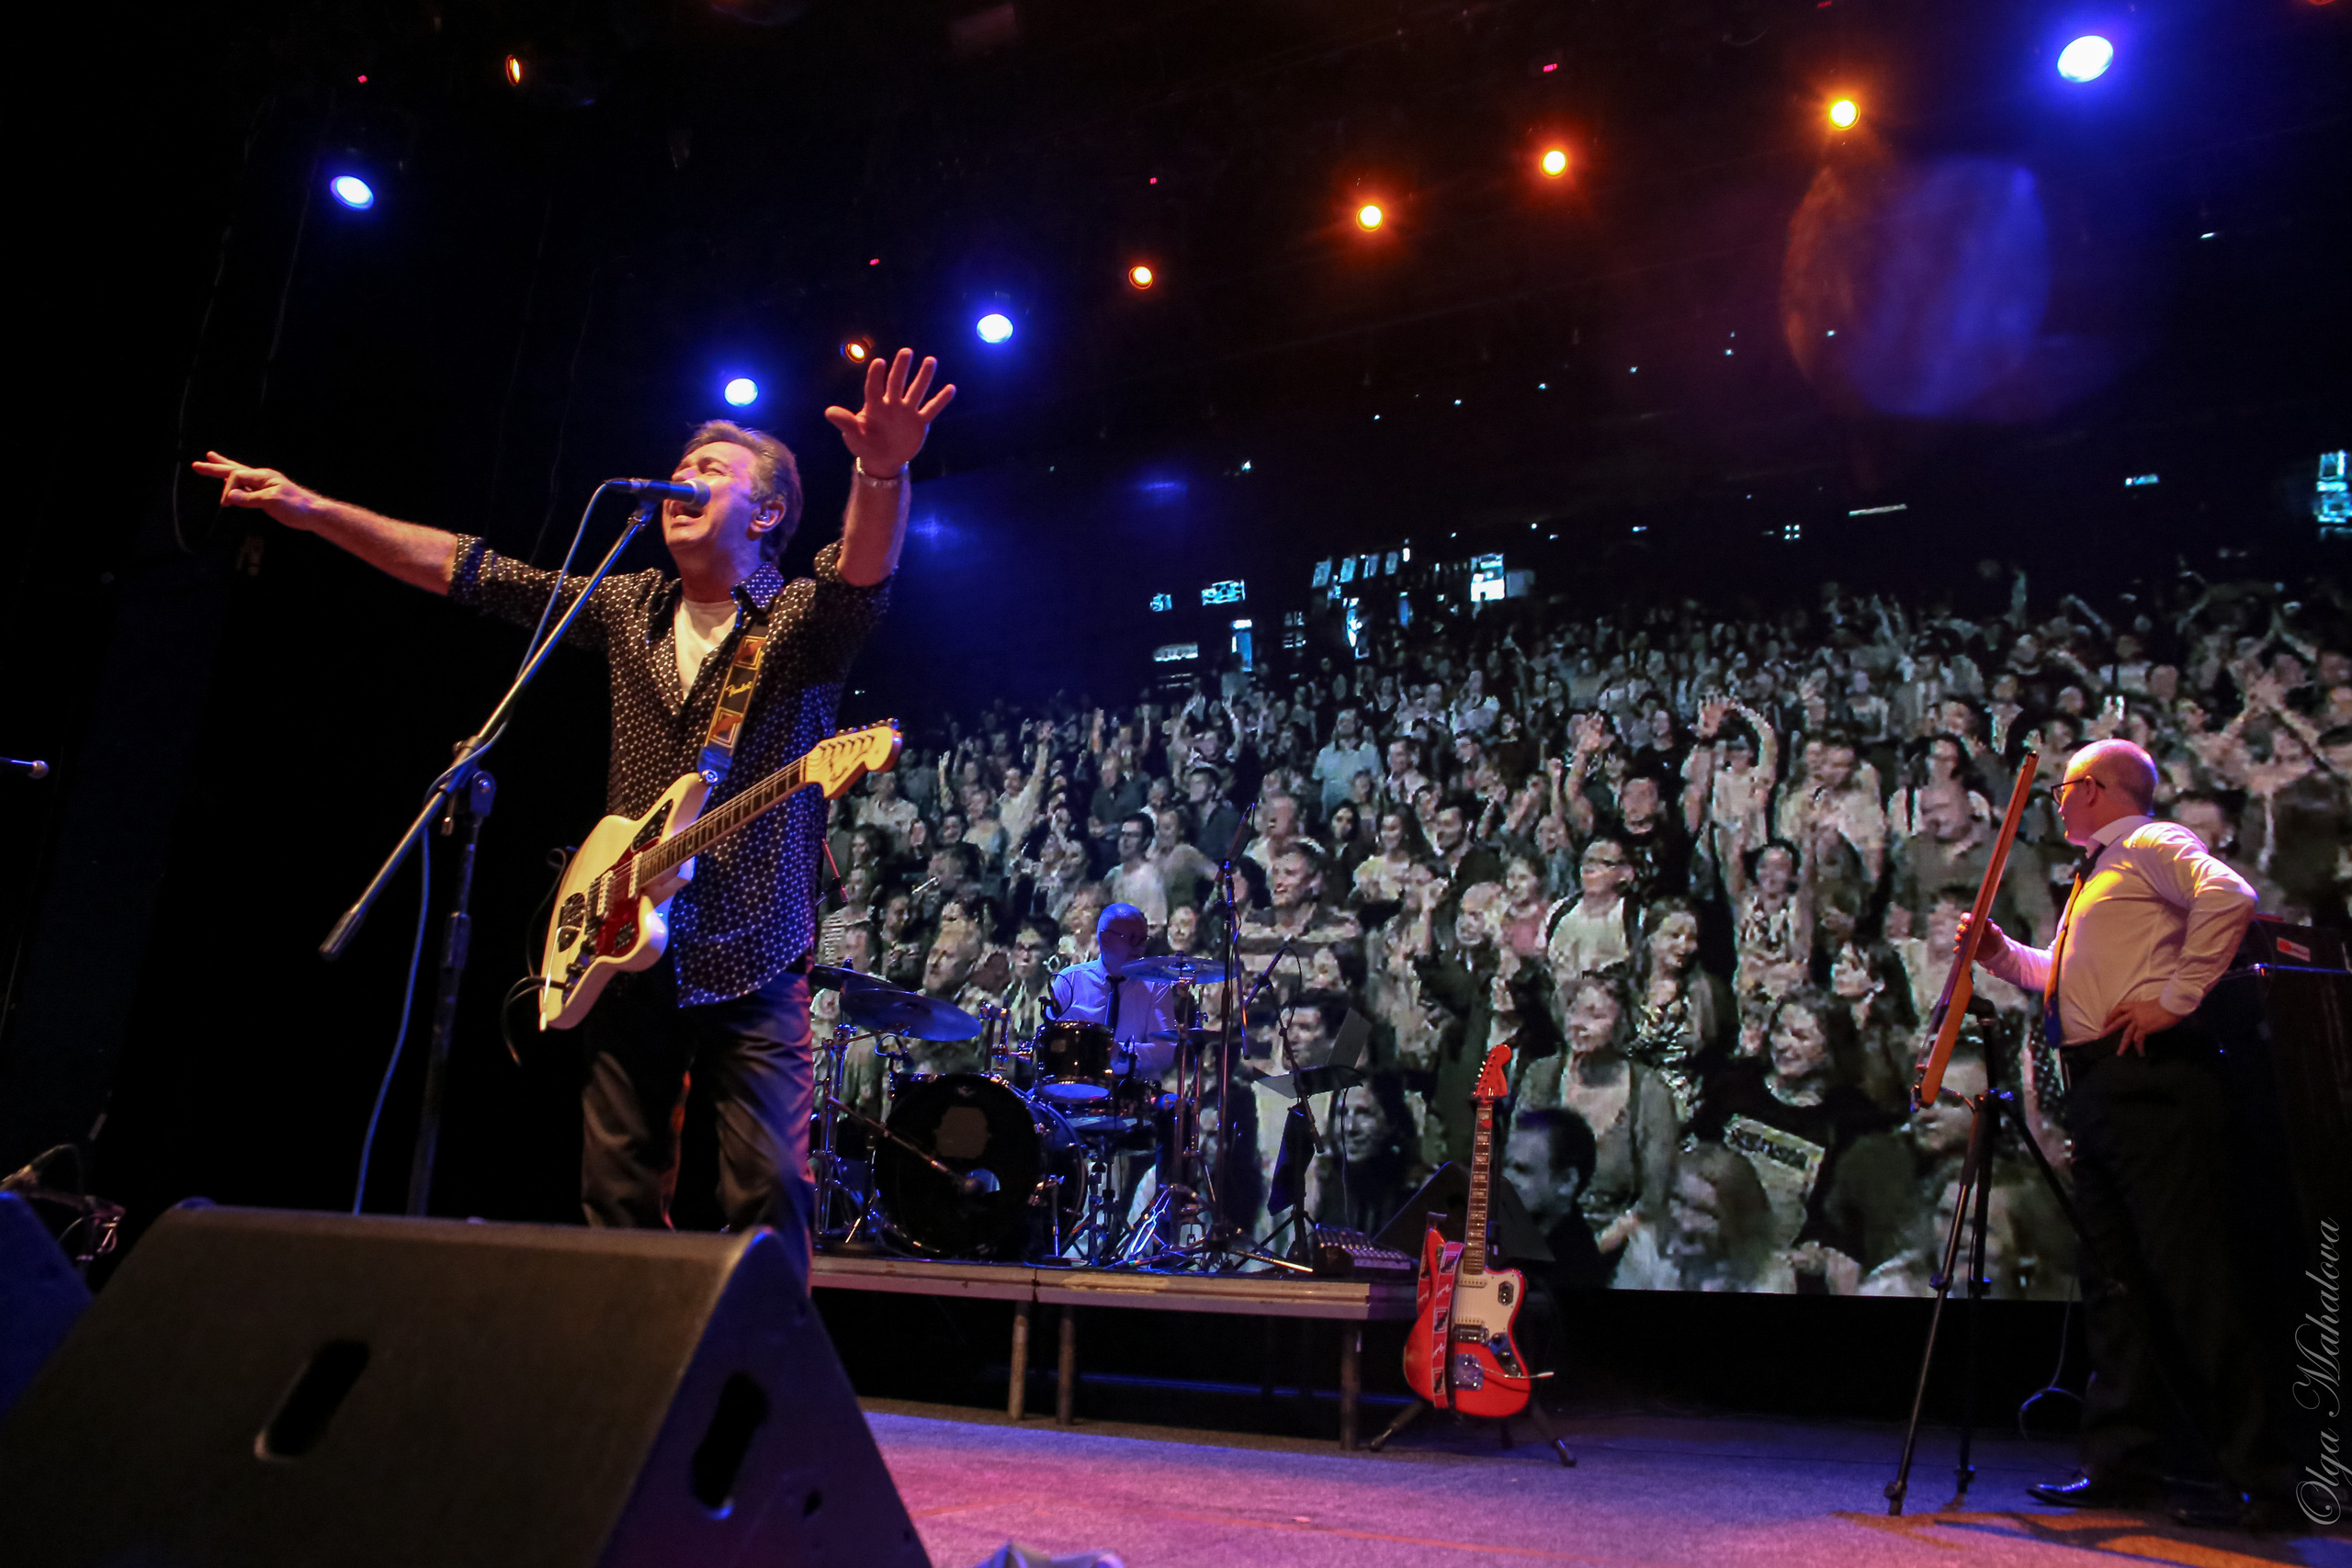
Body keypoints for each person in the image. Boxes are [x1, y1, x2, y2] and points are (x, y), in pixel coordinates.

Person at [196, 346, 956, 1254]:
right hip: (621, 936)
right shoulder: (625, 604)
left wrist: (883, 468)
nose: (684, 482)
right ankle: (636, 1380)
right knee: (616, 1194)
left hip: (753, 948)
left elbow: (862, 571)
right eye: (679, 470)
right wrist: (312, 511)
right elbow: (470, 571)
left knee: (770, 1192)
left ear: (768, 512)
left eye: (710, 473)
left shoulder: (794, 622)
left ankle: (759, 1380)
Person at [1962, 739, 2287, 1527]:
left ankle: (2262, 1476)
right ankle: (2122, 1461)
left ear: (2100, 789)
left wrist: (2177, 997)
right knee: (2115, 1282)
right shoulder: (2100, 872)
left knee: (2191, 1278)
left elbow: (2231, 895)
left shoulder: (2151, 840)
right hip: (2104, 1087)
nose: (2057, 799)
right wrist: (2006, 957)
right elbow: (2072, 977)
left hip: (2154, 1085)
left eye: (2067, 786)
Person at [1046, 903, 1186, 1078]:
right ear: (1105, 939)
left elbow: (1165, 1052)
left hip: (1132, 1093)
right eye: (1132, 939)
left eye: (1143, 939)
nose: (1139, 947)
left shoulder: (1156, 984)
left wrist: (1121, 1052)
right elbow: (1049, 1041)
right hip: (1076, 1084)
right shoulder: (1070, 979)